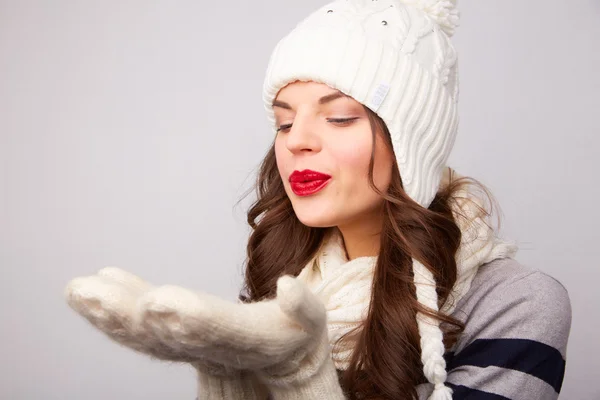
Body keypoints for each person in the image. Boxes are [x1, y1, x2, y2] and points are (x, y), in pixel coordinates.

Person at [64, 0, 572, 399]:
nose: (295, 140)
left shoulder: (518, 302)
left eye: (340, 117)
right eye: (284, 121)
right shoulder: (290, 278)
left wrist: (301, 376)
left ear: (412, 141)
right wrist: (224, 370)